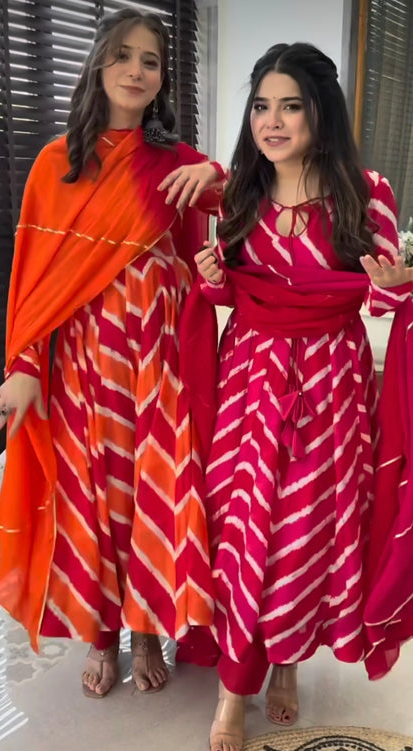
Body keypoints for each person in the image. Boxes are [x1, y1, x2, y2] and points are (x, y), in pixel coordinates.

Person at [0, 8, 224, 699]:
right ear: (97, 63)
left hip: (158, 358)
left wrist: (219, 176)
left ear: (163, 78)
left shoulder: (177, 163)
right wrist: (24, 366)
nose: (136, 71)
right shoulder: (56, 164)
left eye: (151, 60)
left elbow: (238, 220)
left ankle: (146, 630)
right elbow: (33, 281)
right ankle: (101, 632)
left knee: (156, 488)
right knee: (96, 493)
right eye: (122, 55)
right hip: (84, 365)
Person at [177, 42, 413, 751]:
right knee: (242, 524)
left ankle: (286, 660)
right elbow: (231, 292)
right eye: (261, 106)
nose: (272, 122)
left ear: (321, 113)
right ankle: (233, 687)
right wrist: (213, 278)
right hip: (249, 376)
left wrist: (393, 286)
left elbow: (377, 299)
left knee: (304, 528)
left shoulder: (366, 191)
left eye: (290, 106)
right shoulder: (240, 192)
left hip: (331, 381)